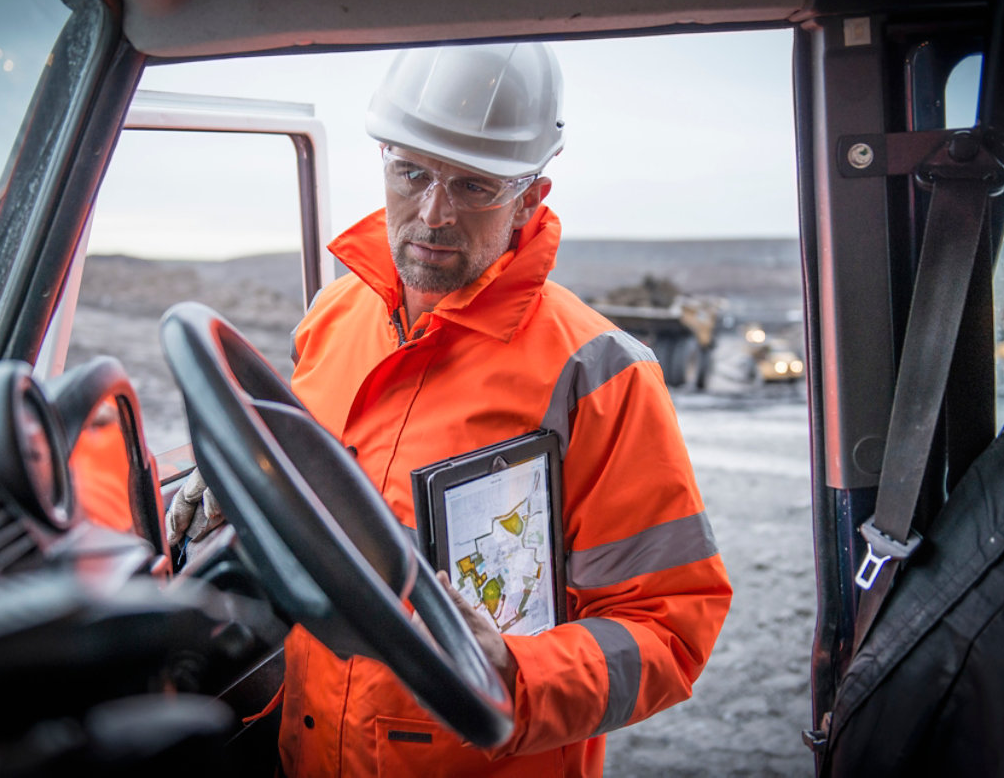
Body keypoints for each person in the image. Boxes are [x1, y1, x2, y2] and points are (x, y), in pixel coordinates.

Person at [169, 42, 731, 777]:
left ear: (530, 196)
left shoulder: (597, 372)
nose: (433, 213)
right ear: (384, 162)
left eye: (475, 187)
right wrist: (247, 489)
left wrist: (513, 668)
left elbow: (669, 632)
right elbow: (330, 514)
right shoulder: (334, 315)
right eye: (412, 172)